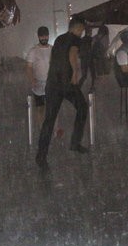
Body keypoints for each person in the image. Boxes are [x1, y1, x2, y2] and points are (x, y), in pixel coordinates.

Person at [36, 16, 89, 171]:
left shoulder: (59, 39)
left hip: (52, 83)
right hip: (67, 83)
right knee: (82, 107)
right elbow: (72, 54)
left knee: (49, 120)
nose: (82, 33)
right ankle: (75, 142)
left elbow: (55, 58)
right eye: (82, 30)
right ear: (78, 28)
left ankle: (41, 156)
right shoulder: (75, 39)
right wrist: (75, 74)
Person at [26, 26, 52, 126]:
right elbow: (29, 67)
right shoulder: (33, 51)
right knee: (40, 108)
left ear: (48, 36)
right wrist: (32, 80)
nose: (44, 38)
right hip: (38, 84)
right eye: (42, 36)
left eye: (46, 36)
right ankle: (42, 129)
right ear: (38, 37)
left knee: (52, 108)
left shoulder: (53, 49)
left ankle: (53, 130)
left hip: (51, 84)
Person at [78, 25, 96, 91]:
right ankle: (92, 87)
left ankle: (78, 87)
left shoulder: (81, 40)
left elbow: (79, 50)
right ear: (89, 32)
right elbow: (92, 49)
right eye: (91, 31)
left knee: (84, 76)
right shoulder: (91, 39)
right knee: (93, 74)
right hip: (90, 58)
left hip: (83, 59)